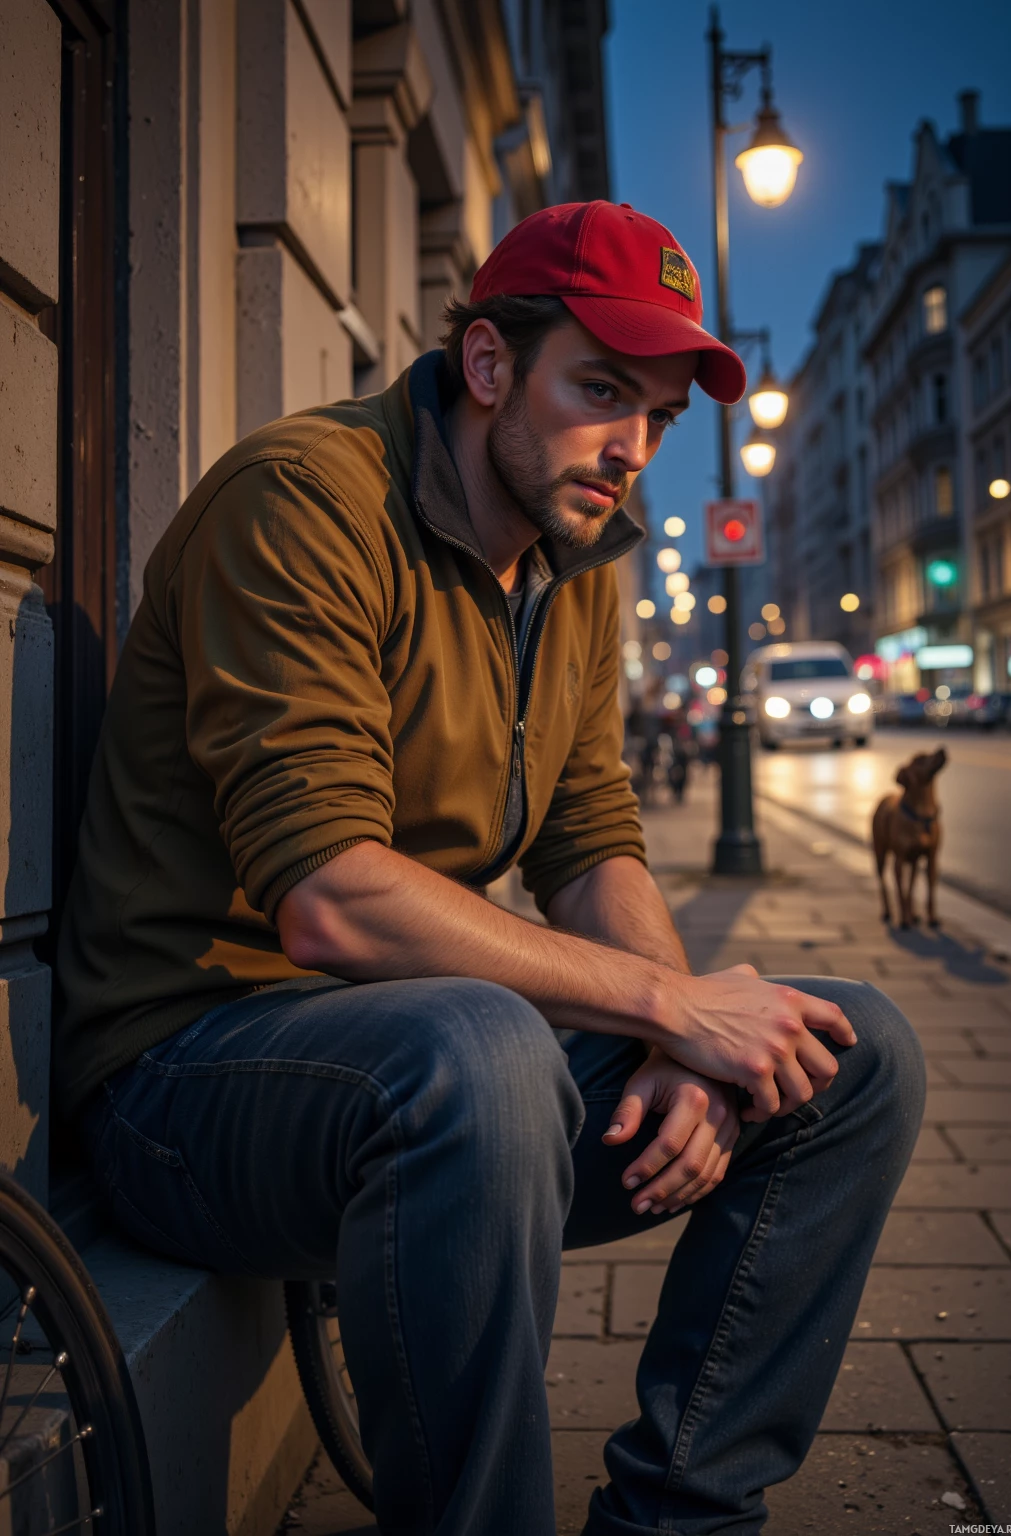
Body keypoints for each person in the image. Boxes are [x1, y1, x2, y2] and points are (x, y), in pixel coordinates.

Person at [56, 201, 924, 1536]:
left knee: (848, 1050)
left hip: (421, 1075)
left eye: (656, 417)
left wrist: (692, 1054)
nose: (630, 447)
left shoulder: (576, 565)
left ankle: (678, 1519)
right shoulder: (304, 501)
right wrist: (665, 1007)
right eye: (599, 392)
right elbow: (330, 894)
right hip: (187, 1084)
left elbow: (593, 845)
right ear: (485, 365)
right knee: (485, 1048)